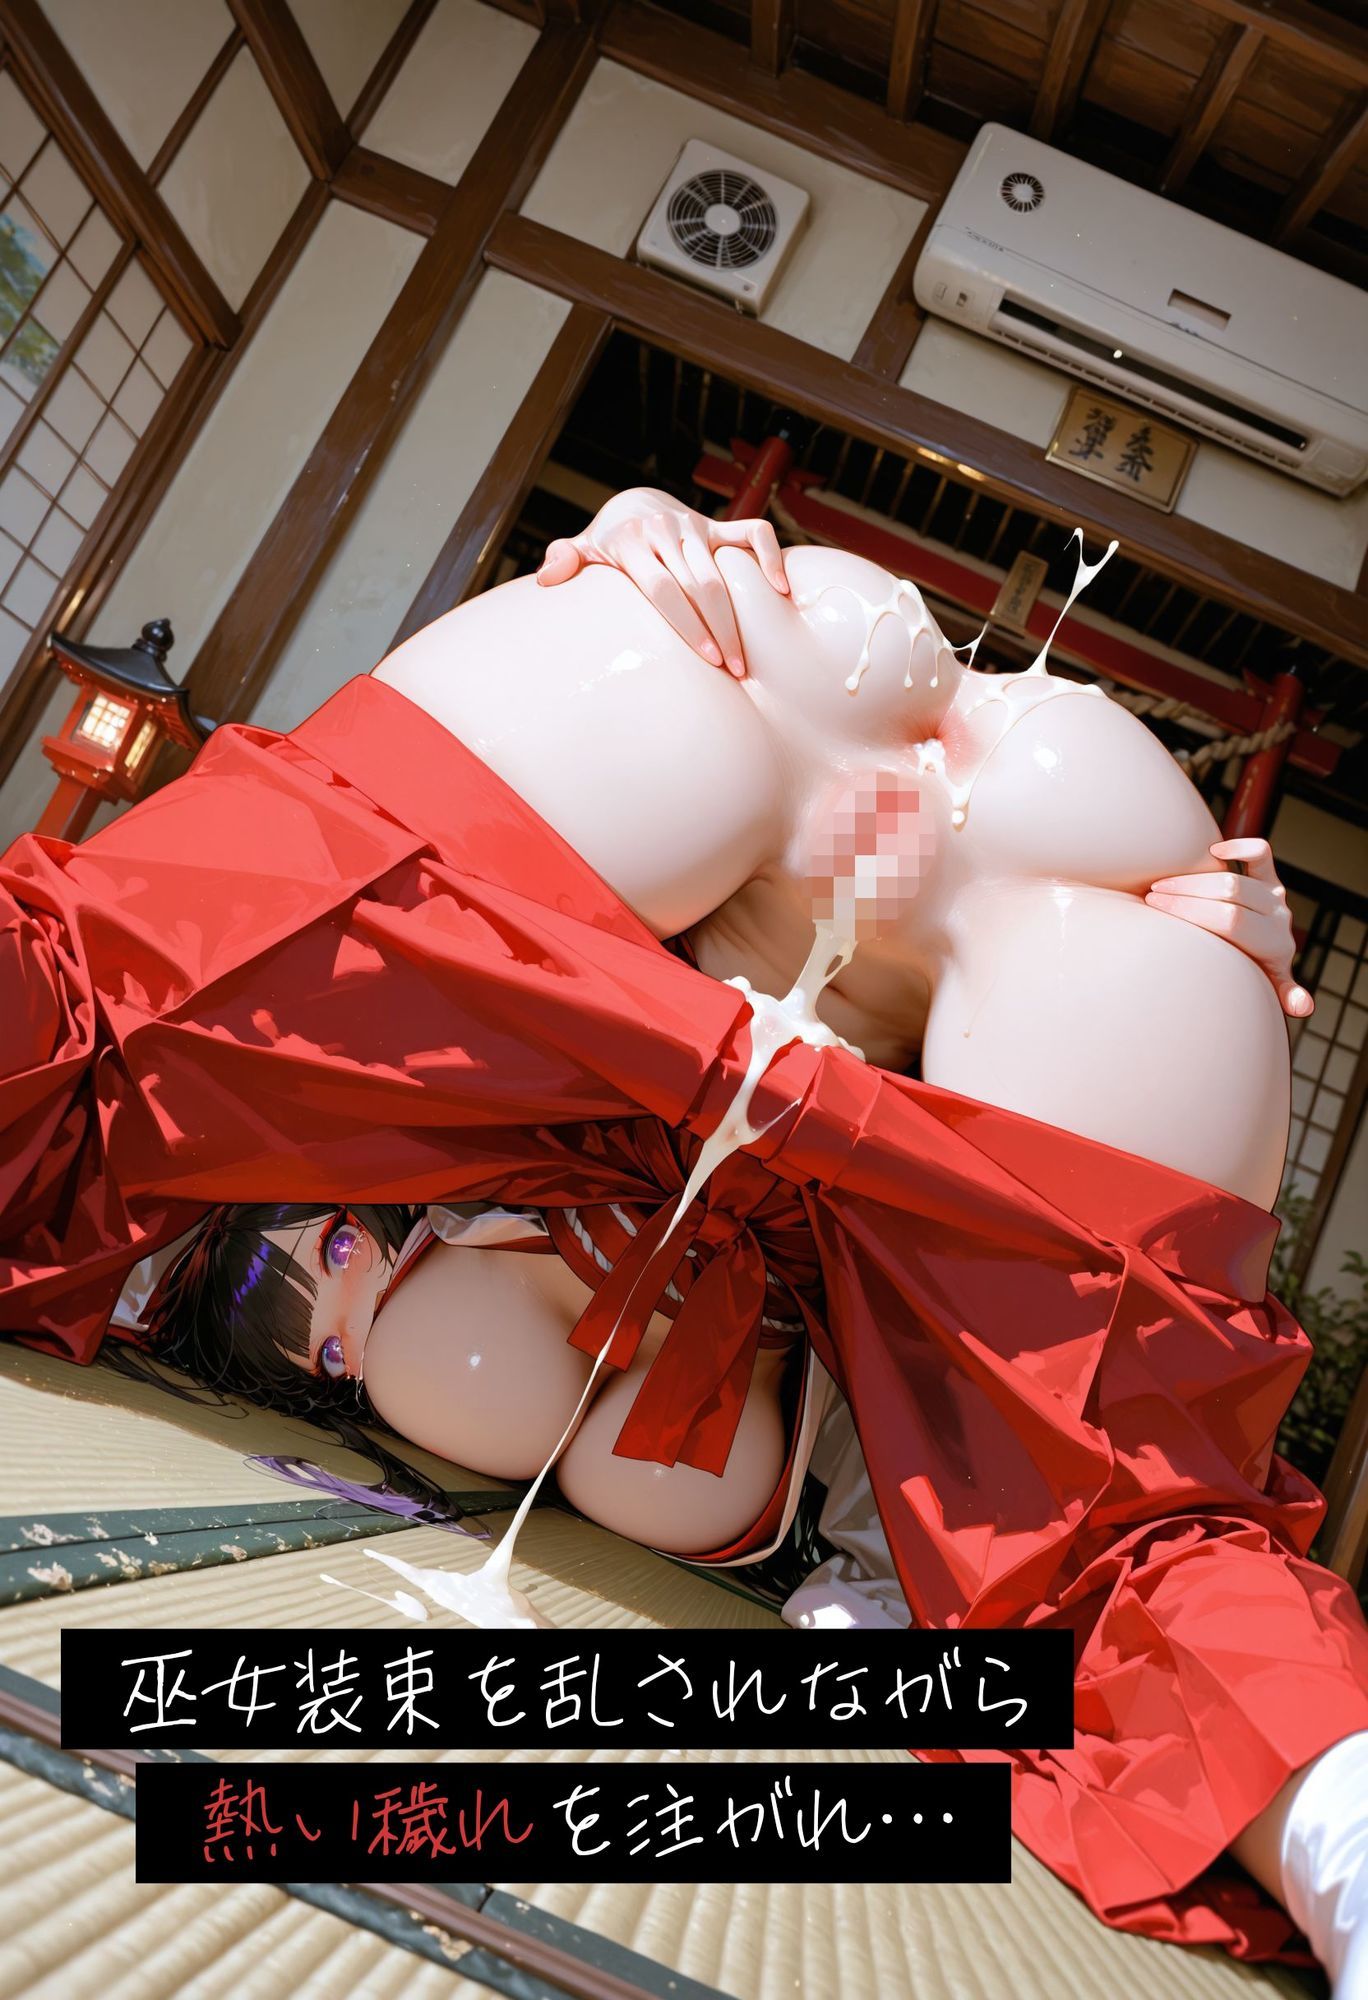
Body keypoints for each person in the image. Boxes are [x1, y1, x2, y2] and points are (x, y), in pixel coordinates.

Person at [2, 489, 1365, 1986]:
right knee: (1122, 1538)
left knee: (107, 1010)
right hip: (1055, 840)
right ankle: (1350, 1837)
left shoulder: (416, 1172)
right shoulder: (835, 1388)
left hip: (722, 660)